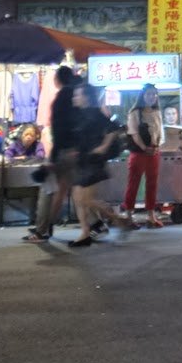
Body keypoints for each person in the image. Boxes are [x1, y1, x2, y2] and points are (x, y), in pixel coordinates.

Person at [66, 84, 131, 248]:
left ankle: (119, 220)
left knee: (86, 199)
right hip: (82, 160)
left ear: (87, 97)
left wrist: (103, 147)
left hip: (93, 161)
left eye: (78, 95)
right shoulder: (78, 114)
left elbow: (114, 128)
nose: (74, 98)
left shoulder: (96, 113)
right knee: (78, 198)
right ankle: (85, 233)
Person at [25, 66, 79, 243]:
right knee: (75, 191)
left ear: (57, 79)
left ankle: (43, 229)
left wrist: (54, 155)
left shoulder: (61, 98)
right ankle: (96, 223)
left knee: (49, 191)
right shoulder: (77, 95)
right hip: (75, 151)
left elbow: (59, 129)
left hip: (63, 151)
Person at [121, 84, 164, 228]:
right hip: (139, 153)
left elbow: (159, 132)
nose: (152, 97)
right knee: (133, 183)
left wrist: (156, 146)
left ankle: (151, 216)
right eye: (149, 94)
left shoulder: (157, 112)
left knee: (152, 183)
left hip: (154, 152)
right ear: (142, 96)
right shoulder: (135, 112)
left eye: (154, 94)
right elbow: (134, 133)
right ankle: (128, 216)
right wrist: (145, 148)